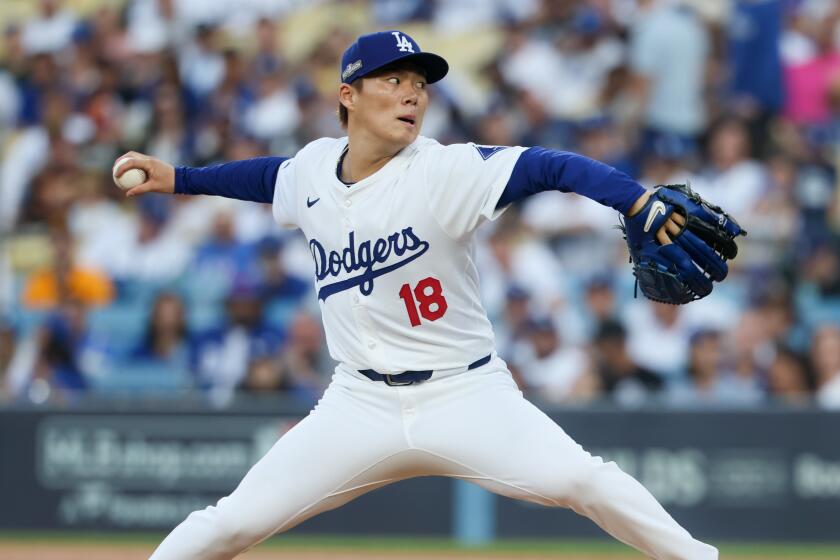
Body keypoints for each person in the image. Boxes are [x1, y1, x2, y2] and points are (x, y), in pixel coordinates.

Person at [115, 30, 717, 559]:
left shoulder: (443, 171)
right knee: (230, 524)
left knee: (585, 482)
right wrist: (181, 179)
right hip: (357, 404)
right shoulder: (312, 169)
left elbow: (548, 165)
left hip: (466, 393)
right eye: (394, 80)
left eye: (421, 85)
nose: (413, 94)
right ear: (347, 96)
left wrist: (634, 199)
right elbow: (266, 177)